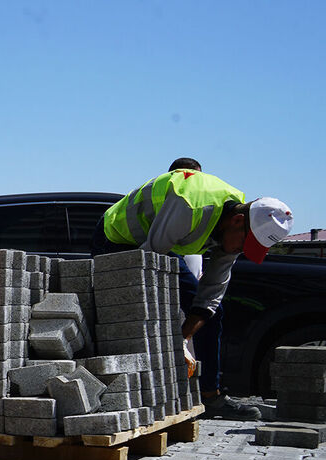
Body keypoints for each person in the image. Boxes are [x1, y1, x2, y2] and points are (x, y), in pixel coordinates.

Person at [90, 169, 293, 420]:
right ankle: (120, 390)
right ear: (238, 221)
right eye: (243, 244)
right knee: (130, 309)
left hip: (154, 243)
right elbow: (148, 264)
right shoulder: (190, 207)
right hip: (116, 236)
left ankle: (211, 396)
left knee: (214, 312)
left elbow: (210, 295)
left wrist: (182, 340)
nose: (240, 251)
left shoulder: (236, 223)